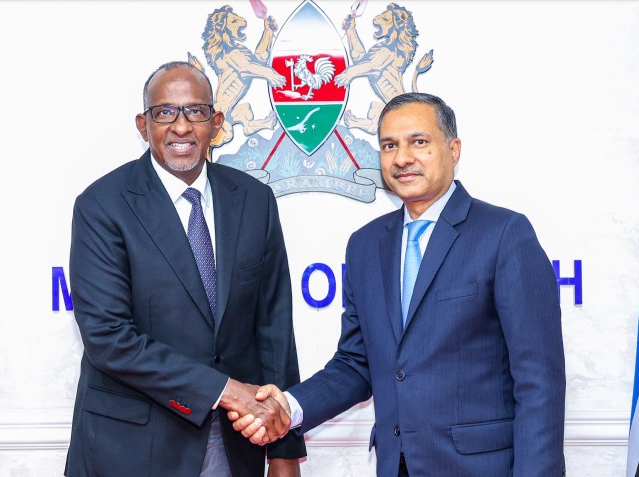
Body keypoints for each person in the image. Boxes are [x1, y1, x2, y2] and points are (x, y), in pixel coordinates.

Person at [231, 92, 566, 476]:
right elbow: (356, 364)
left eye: (418, 142)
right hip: (396, 466)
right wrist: (288, 407)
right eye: (389, 146)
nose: (402, 158)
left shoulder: (504, 234)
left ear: (454, 149)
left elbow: (539, 381)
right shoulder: (366, 245)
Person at [65, 61, 305, 477]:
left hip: (236, 445)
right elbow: (108, 337)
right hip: (131, 450)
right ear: (143, 125)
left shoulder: (255, 200)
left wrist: (284, 449)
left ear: (216, 123)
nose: (181, 127)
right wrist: (225, 390)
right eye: (164, 112)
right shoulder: (102, 206)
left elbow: (274, 331)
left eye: (195, 111)